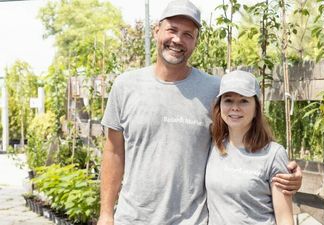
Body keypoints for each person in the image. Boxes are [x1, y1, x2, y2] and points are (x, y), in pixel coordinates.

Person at [98, 0, 302, 224]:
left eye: (188, 34)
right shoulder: (125, 85)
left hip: (191, 220)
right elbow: (113, 151)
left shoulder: (215, 91)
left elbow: (245, 133)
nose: (177, 39)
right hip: (133, 218)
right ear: (156, 31)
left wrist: (283, 173)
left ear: (196, 41)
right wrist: (106, 213)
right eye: (172, 30)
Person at [206, 70, 294, 225]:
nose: (235, 107)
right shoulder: (213, 146)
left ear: (256, 109)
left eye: (244, 101)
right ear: (219, 106)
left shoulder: (273, 154)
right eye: (228, 100)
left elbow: (285, 219)